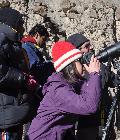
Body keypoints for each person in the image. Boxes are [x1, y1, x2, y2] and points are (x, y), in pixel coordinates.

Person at [26, 41, 101, 140]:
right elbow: (89, 106)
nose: (83, 64)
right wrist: (94, 74)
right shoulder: (59, 90)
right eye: (79, 60)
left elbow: (87, 94)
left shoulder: (68, 83)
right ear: (70, 66)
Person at [67, 33, 116, 140]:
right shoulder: (72, 72)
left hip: (103, 115)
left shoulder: (96, 64)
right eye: (87, 46)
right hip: (86, 122)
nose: (91, 48)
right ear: (77, 51)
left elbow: (112, 79)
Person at [0, 7, 39, 140]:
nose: (23, 27)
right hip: (5, 112)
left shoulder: (13, 43)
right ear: (13, 24)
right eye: (21, 23)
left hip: (12, 109)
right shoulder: (2, 40)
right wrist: (23, 78)